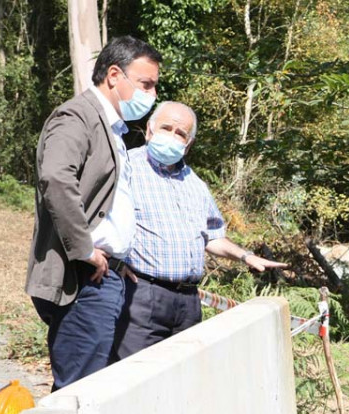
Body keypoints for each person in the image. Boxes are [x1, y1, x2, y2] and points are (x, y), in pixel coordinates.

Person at [25, 36, 162, 391]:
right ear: (114, 75)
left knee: (90, 388)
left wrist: (120, 257)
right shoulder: (78, 116)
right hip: (84, 278)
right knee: (78, 392)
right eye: (146, 84)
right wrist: (85, 248)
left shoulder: (114, 129)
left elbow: (107, 204)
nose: (152, 94)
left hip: (106, 275)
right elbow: (55, 177)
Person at [110, 101, 287, 361]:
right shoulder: (126, 168)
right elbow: (100, 217)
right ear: (149, 130)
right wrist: (114, 261)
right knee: (136, 377)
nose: (171, 136)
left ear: (188, 143)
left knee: (183, 379)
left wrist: (246, 256)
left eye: (180, 133)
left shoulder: (195, 184)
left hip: (189, 301)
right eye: (166, 128)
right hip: (142, 295)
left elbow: (213, 237)